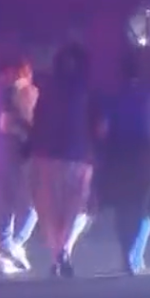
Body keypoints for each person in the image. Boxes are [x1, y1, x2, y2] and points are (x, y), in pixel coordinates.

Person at [27, 43, 97, 278]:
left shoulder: (46, 89)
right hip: (79, 155)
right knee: (78, 208)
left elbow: (36, 121)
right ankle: (64, 250)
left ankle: (58, 252)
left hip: (48, 154)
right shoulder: (88, 90)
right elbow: (97, 126)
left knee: (50, 208)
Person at [97, 49, 150, 275]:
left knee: (122, 206)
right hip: (145, 154)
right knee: (145, 206)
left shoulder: (112, 95)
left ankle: (125, 254)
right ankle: (135, 255)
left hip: (119, 154)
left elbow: (102, 129)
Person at [0, 54, 37, 273]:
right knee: (31, 206)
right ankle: (11, 245)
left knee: (4, 206)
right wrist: (27, 132)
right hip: (10, 156)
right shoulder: (9, 93)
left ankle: (6, 249)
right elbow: (6, 125)